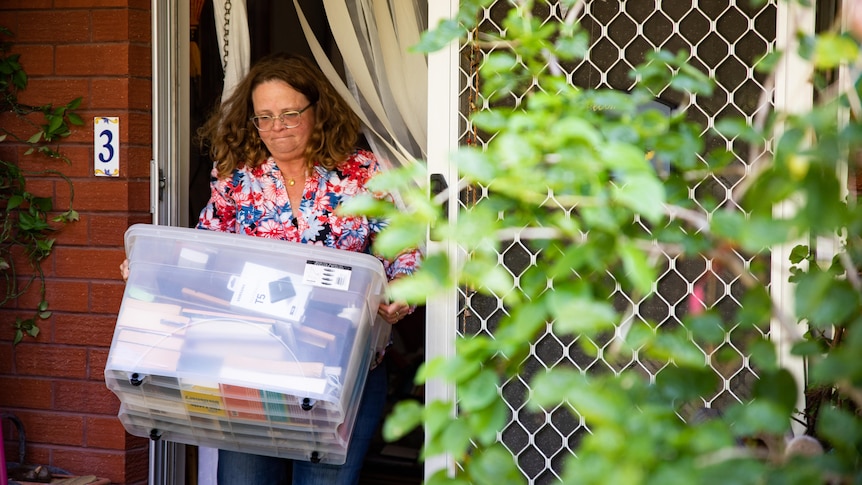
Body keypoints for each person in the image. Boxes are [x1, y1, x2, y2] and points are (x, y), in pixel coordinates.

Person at [121, 53, 419, 485]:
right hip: (250, 368)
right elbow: (204, 253)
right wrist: (152, 265)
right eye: (264, 117)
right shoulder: (236, 179)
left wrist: (401, 291)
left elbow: (403, 249)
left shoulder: (360, 174)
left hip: (341, 370)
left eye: (290, 114)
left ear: (319, 112)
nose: (277, 128)